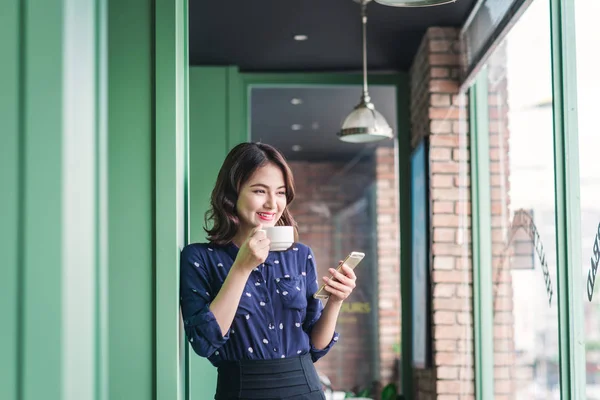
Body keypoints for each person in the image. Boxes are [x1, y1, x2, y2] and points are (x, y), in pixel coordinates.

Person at [180, 142, 358, 400]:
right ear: (232, 194)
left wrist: (336, 301)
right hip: (241, 391)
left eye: (281, 193)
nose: (272, 204)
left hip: (305, 389)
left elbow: (316, 347)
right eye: (260, 191)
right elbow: (205, 341)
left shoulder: (300, 255)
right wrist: (241, 267)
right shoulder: (199, 257)